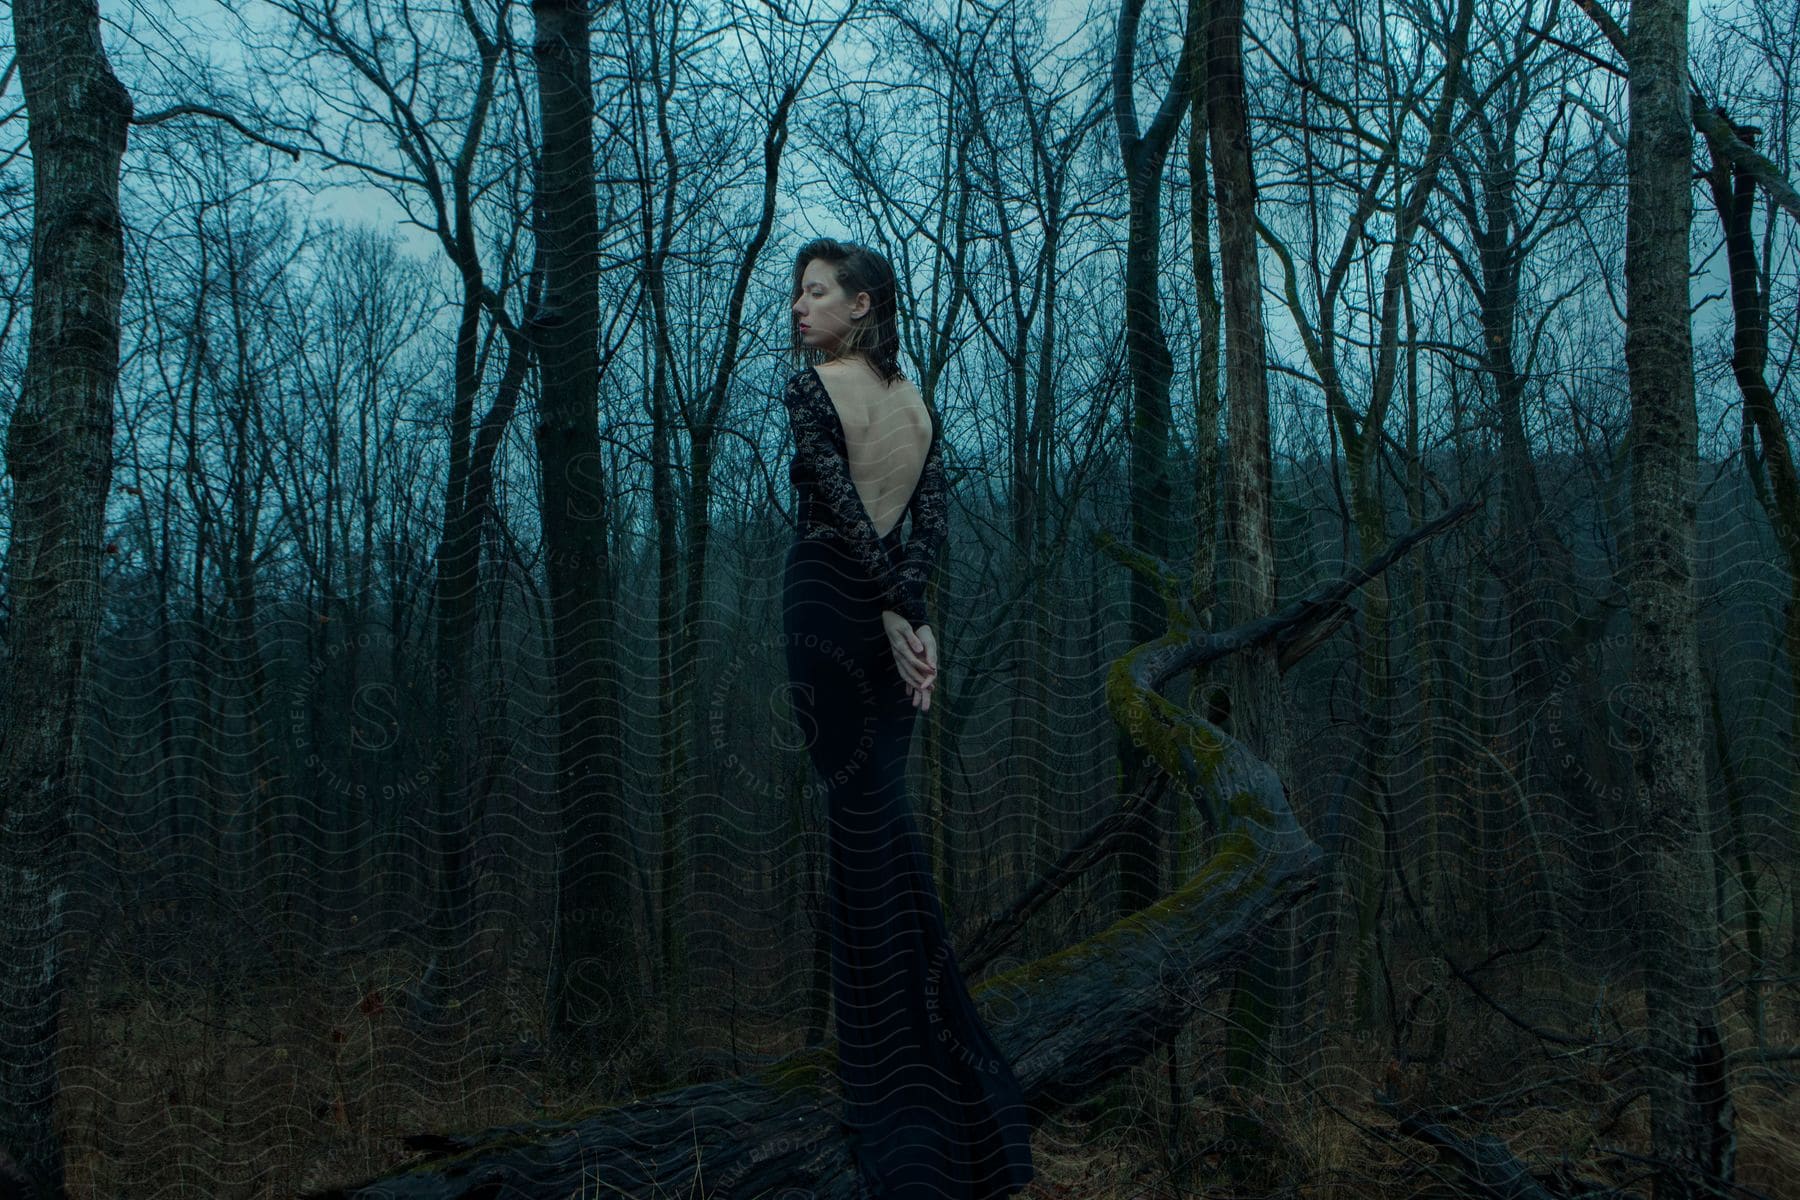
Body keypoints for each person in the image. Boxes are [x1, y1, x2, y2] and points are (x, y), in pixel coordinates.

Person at [779, 238, 1036, 1199]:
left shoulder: (815, 391)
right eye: (797, 295)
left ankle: (899, 1096)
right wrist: (911, 614)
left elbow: (841, 512)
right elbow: (926, 524)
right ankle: (934, 1081)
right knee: (880, 826)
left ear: (863, 305)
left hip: (826, 613)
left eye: (816, 293)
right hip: (883, 624)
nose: (799, 309)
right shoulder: (918, 399)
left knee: (863, 836)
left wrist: (893, 607)